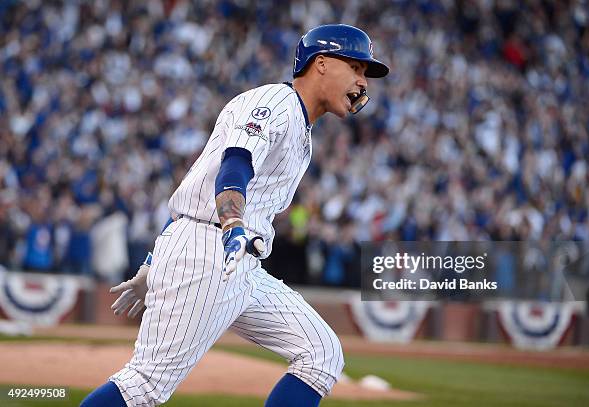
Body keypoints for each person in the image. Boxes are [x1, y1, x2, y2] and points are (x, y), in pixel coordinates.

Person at [81, 24, 389, 407]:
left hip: (240, 259)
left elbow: (198, 180)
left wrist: (152, 260)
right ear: (321, 64)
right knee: (144, 384)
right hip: (212, 250)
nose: (363, 82)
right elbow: (234, 167)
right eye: (356, 68)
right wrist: (232, 226)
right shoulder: (276, 104)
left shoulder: (301, 128)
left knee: (322, 355)